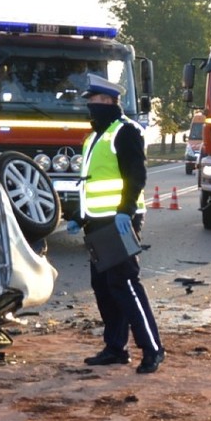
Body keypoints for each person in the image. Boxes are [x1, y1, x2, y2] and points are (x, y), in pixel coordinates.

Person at [66, 74, 165, 374]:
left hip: (119, 221)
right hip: (96, 222)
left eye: (93, 101)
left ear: (109, 101)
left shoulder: (125, 131)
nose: (89, 107)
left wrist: (125, 210)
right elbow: (90, 184)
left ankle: (152, 349)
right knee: (104, 287)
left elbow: (136, 174)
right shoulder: (94, 137)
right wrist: (78, 216)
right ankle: (115, 347)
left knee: (125, 285)